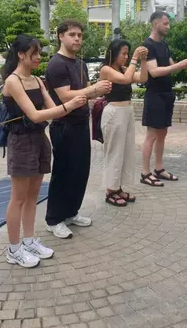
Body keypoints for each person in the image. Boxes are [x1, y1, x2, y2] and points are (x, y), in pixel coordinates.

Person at [1, 35, 87, 267]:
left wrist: (79, 99)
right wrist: (70, 104)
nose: (39, 57)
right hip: (21, 141)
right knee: (18, 198)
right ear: (21, 54)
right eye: (34, 52)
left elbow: (56, 110)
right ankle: (14, 249)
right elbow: (35, 115)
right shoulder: (13, 81)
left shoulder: (38, 81)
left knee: (32, 197)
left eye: (39, 52)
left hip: (39, 139)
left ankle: (29, 241)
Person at [44, 20, 112, 238]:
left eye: (80, 35)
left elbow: (85, 92)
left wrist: (98, 90)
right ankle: (54, 219)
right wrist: (93, 89)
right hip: (64, 125)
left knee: (80, 172)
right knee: (63, 172)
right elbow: (65, 96)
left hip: (81, 123)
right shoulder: (56, 64)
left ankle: (71, 212)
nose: (77, 39)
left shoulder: (80, 64)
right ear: (60, 36)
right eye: (72, 34)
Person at [141, 11, 187, 186]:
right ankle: (145, 172)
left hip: (166, 94)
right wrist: (178, 65)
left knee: (162, 133)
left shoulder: (164, 45)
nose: (168, 27)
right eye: (165, 23)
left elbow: (170, 66)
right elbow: (154, 71)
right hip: (154, 95)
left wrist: (183, 65)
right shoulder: (147, 45)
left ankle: (159, 168)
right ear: (155, 23)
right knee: (151, 135)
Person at [98, 40, 148, 206]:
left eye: (128, 54)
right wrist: (135, 58)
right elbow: (126, 80)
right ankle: (110, 190)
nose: (126, 57)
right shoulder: (106, 69)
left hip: (127, 112)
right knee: (114, 152)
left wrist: (143, 60)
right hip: (114, 113)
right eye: (124, 53)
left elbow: (142, 77)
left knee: (125, 151)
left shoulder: (124, 69)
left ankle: (117, 187)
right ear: (114, 53)